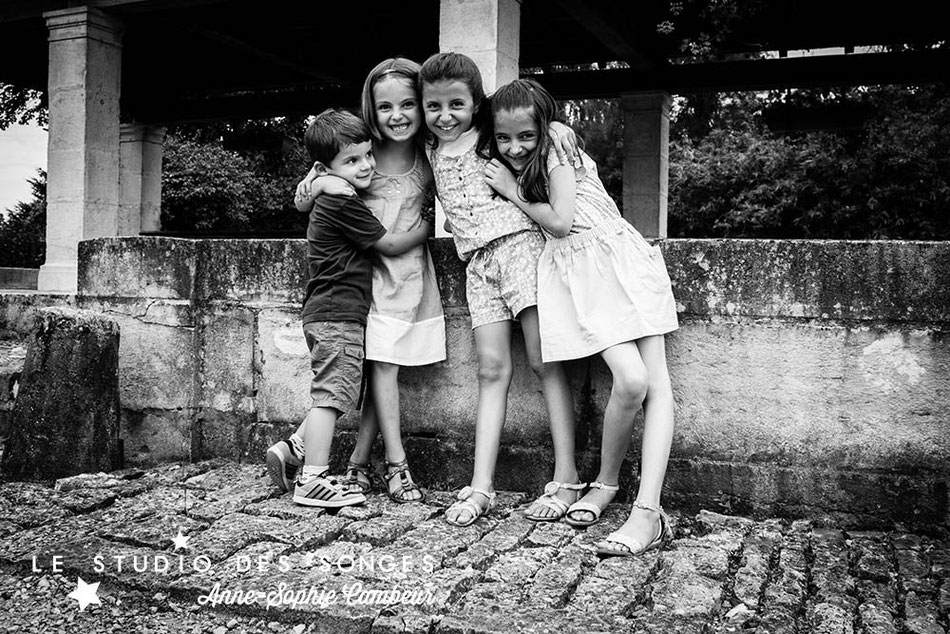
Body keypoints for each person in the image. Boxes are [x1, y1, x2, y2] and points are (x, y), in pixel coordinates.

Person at [481, 78, 679, 556]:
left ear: (544, 125)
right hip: (584, 277)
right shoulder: (530, 151)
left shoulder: (555, 147)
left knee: (650, 383)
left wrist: (512, 190)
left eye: (524, 136)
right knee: (632, 382)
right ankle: (607, 483)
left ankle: (647, 512)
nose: (513, 148)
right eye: (504, 138)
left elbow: (562, 220)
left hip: (620, 261)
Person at [269, 58, 445, 504]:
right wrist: (321, 185)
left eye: (409, 103)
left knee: (364, 378)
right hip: (364, 286)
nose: (398, 115)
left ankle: (313, 452)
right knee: (357, 380)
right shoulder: (352, 162)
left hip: (404, 282)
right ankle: (374, 469)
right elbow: (303, 196)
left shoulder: (429, 157)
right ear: (371, 109)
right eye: (385, 106)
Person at [419, 52, 584, 527]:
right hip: (477, 264)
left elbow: (532, 121)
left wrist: (558, 127)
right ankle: (481, 486)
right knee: (491, 370)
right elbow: (378, 146)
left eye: (457, 104)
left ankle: (567, 478)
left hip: (521, 250)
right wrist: (320, 174)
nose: (446, 115)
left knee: (544, 360)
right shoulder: (429, 147)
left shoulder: (491, 136)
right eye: (434, 106)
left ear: (477, 104)